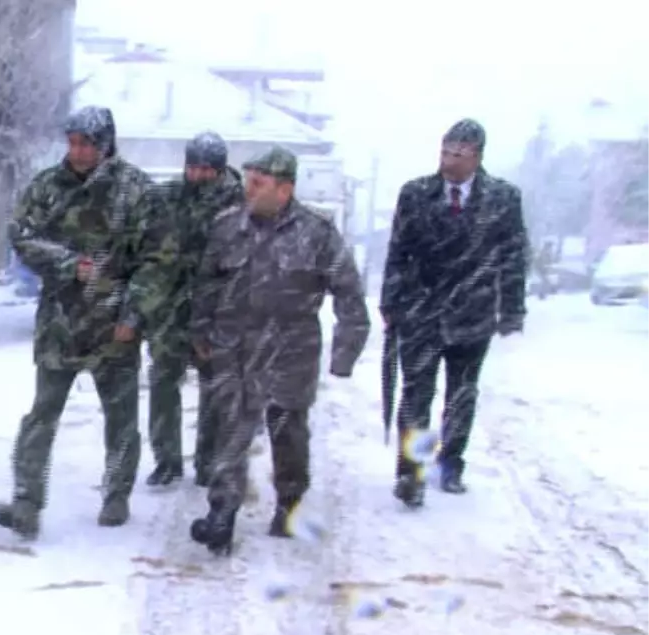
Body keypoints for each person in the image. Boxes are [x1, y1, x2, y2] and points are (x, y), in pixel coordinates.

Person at [189, 146, 370, 553]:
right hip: (234, 347)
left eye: (258, 183)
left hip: (292, 350)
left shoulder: (318, 233)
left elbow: (348, 293)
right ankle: (222, 513)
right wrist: (199, 331)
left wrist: (346, 351)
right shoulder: (226, 226)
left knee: (288, 433)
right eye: (248, 181)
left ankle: (290, 503)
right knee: (231, 432)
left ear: (284, 189)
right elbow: (206, 282)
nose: (247, 190)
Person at [0, 105, 155, 540]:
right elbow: (21, 234)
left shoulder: (134, 190)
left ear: (105, 146)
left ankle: (116, 494)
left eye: (87, 144)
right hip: (61, 321)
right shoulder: (48, 186)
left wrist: (134, 314)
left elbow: (155, 260)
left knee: (120, 417)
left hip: (114, 322)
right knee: (42, 415)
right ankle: (26, 502)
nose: (78, 152)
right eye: (74, 142)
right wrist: (66, 263)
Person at [382, 119, 528, 508]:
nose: (448, 160)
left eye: (458, 154)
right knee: (416, 395)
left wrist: (512, 310)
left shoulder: (502, 198)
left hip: (472, 314)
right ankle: (411, 472)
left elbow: (514, 257)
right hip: (421, 312)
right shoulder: (415, 193)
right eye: (444, 151)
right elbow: (397, 251)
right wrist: (391, 303)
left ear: (477, 157)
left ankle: (450, 464)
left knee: (461, 395)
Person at [131, 131, 243, 487]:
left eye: (207, 170)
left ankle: (208, 461)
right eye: (193, 168)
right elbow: (144, 254)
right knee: (163, 383)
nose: (198, 176)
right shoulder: (165, 199)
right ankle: (167, 460)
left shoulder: (241, 205)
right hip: (169, 311)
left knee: (214, 387)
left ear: (221, 170)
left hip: (217, 311)